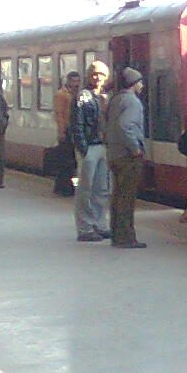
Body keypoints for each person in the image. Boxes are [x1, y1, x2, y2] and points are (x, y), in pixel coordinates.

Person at [69, 60, 113, 242]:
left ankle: (100, 223)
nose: (98, 78)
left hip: (103, 146)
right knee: (86, 189)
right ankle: (85, 227)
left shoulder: (104, 97)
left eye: (101, 74)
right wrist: (83, 148)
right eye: (94, 74)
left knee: (102, 188)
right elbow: (77, 123)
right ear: (88, 76)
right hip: (90, 147)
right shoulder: (83, 97)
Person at [105, 67, 147, 249]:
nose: (142, 85)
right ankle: (126, 237)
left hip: (114, 154)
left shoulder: (115, 99)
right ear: (134, 84)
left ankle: (116, 234)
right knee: (126, 198)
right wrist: (135, 148)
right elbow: (125, 125)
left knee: (117, 195)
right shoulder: (132, 102)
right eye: (140, 82)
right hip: (127, 156)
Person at [53, 70, 81, 195]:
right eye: (74, 81)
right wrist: (61, 131)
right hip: (66, 130)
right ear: (68, 81)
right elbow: (59, 114)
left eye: (78, 81)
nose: (76, 84)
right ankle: (63, 187)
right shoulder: (61, 94)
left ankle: (65, 186)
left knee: (70, 160)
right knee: (65, 160)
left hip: (73, 130)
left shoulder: (77, 94)